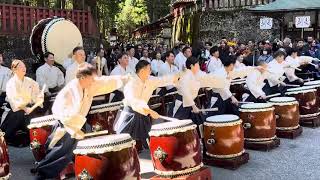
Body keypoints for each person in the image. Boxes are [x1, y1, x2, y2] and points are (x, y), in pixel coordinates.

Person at [32, 63, 125, 179]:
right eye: (91, 79)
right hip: (66, 124)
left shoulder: (88, 85)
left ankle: (43, 168)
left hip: (76, 123)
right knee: (60, 152)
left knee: (66, 153)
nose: (93, 81)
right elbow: (60, 110)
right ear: (82, 77)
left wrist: (121, 79)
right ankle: (42, 173)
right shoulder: (70, 89)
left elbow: (104, 82)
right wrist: (73, 127)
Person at [114, 60, 178, 151]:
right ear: (142, 71)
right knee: (123, 142)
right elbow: (133, 101)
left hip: (143, 112)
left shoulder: (150, 79)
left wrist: (176, 77)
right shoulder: (131, 82)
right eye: (149, 69)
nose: (150, 71)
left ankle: (154, 155)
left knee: (149, 138)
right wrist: (150, 111)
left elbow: (162, 80)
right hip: (130, 113)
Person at [170, 57, 227, 125]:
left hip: (190, 103)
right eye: (197, 65)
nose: (199, 66)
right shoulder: (186, 75)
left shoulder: (196, 74)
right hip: (182, 103)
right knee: (178, 125)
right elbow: (185, 92)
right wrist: (193, 106)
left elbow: (206, 78)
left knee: (197, 122)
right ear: (191, 66)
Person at [1, 59, 44, 147]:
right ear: (14, 69)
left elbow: (37, 94)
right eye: (20, 66)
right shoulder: (11, 83)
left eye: (24, 66)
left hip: (29, 109)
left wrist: (38, 98)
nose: (24, 68)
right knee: (18, 115)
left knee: (37, 124)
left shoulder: (29, 80)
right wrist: (25, 108)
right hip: (14, 112)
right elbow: (14, 102)